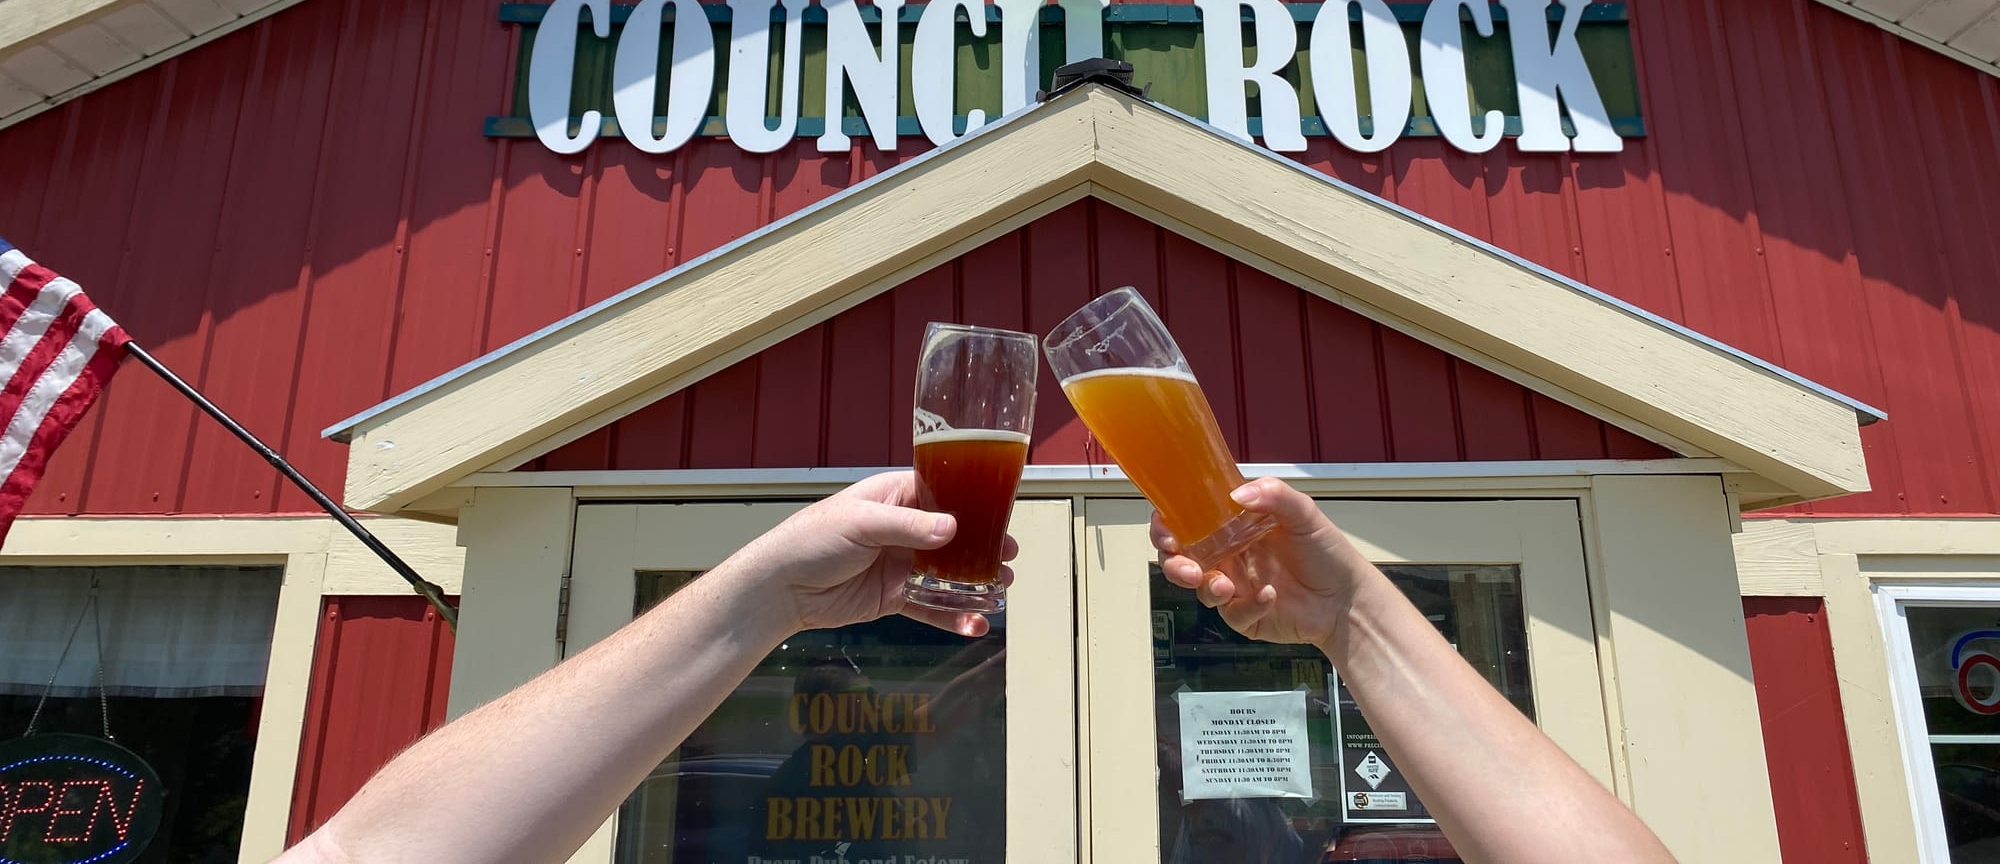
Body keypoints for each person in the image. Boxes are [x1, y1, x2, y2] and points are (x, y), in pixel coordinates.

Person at [279, 472, 1674, 864]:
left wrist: (1360, 622)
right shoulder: (808, 814)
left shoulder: (1238, 823)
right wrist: (755, 596)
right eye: (977, 707)